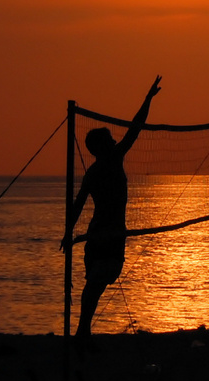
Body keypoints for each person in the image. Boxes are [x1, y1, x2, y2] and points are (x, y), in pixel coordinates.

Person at [62, 75, 162, 348]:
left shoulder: (109, 162)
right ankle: (83, 331)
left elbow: (135, 128)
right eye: (109, 140)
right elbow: (79, 203)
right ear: (101, 147)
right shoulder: (98, 170)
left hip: (112, 233)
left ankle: (83, 330)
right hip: (102, 235)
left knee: (96, 282)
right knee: (93, 283)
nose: (115, 142)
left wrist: (147, 99)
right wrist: (67, 234)